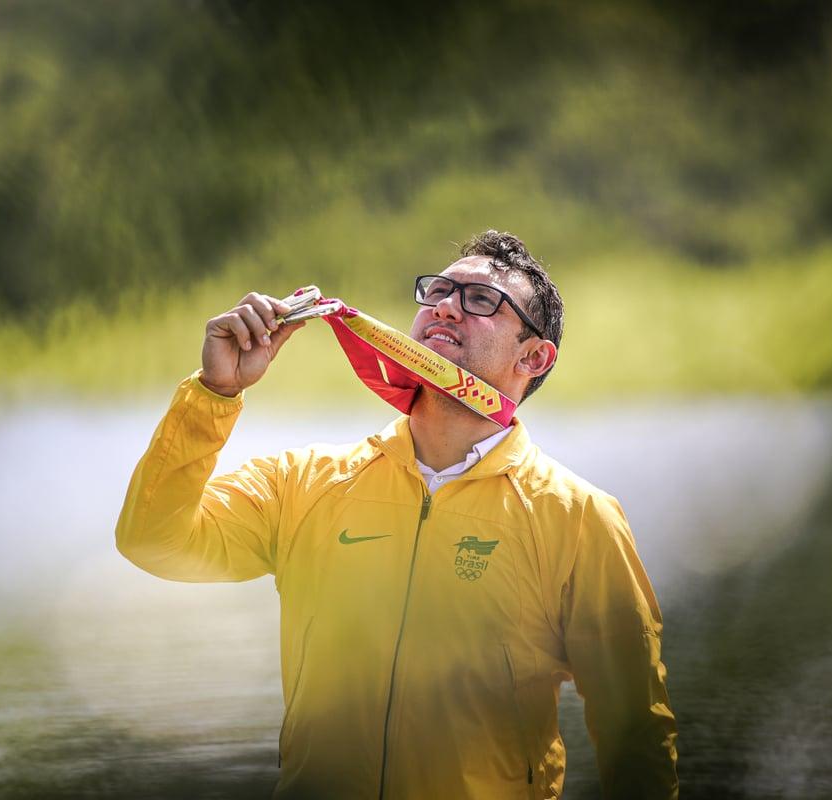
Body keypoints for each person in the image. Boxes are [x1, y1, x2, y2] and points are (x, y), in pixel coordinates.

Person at [116, 230, 679, 799]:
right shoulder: (305, 483)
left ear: (533, 356)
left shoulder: (578, 517)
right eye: (438, 291)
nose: (445, 305)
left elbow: (635, 733)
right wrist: (216, 392)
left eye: (479, 299)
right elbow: (153, 540)